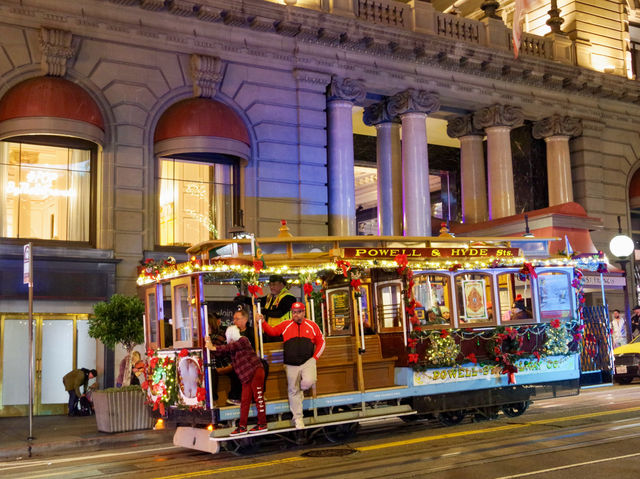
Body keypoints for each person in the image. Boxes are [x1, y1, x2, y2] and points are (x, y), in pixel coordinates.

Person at [260, 302, 325, 429]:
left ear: (303, 312)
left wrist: (314, 358)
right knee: (293, 390)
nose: (296, 314)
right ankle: (298, 419)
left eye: (299, 311)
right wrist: (263, 322)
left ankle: (301, 390)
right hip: (290, 364)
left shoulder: (312, 325)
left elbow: (321, 341)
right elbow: (272, 332)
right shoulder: (286, 325)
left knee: (309, 381)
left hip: (308, 361)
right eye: (294, 312)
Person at [205, 325, 267, 436]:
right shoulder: (234, 346)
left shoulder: (243, 340)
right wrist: (209, 343)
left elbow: (228, 348)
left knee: (258, 398)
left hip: (256, 371)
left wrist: (213, 347)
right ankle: (242, 426)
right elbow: (222, 351)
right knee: (244, 400)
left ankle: (262, 424)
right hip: (247, 375)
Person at [259, 275, 297, 340]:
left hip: (283, 333)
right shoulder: (270, 297)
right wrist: (244, 299)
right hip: (269, 331)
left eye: (274, 285)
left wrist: (264, 312)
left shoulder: (289, 297)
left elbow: (279, 313)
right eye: (270, 285)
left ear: (281, 284)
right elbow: (258, 301)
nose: (271, 287)